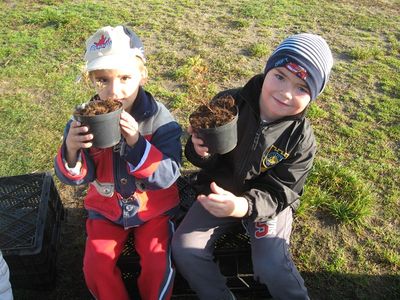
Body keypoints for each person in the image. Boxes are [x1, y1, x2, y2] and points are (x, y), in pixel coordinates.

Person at [172, 33, 333, 300]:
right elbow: (205, 155)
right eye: (280, 76)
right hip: (219, 191)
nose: (285, 92)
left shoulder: (301, 139)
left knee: (271, 264)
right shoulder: (230, 103)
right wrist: (200, 150)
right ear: (268, 69)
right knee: (185, 247)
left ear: (313, 96)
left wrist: (245, 206)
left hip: (266, 205)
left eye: (302, 87)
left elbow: (283, 190)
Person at [54, 25, 182, 300]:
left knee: (157, 259)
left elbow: (169, 174)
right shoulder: (82, 121)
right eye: (103, 80)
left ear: (142, 75)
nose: (114, 91)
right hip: (107, 209)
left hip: (153, 208)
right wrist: (72, 149)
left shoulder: (160, 120)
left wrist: (137, 142)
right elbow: (78, 178)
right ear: (92, 80)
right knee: (96, 264)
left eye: (125, 77)